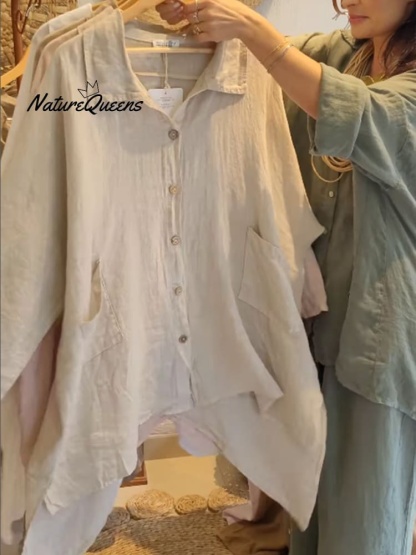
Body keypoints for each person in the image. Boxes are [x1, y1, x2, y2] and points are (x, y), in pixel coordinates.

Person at [155, 0, 416, 554]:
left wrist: (252, 28)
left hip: (379, 331)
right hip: (313, 319)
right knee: (307, 496)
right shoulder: (345, 53)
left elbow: (362, 113)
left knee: (363, 511)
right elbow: (253, 65)